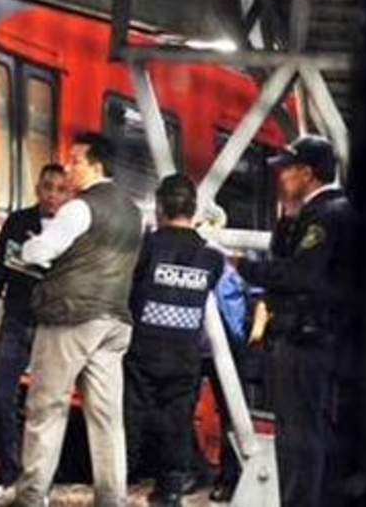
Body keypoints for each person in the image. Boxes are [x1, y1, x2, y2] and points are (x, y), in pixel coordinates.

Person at [8, 133, 143, 507]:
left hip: (71, 316)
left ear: (97, 166)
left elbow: (41, 251)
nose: (68, 169)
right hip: (115, 320)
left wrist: (33, 246)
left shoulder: (80, 208)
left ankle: (32, 494)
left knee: (47, 406)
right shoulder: (133, 212)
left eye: (76, 161)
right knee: (106, 415)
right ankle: (111, 497)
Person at [239, 135, 356, 507]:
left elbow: (300, 274)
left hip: (311, 341)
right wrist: (288, 218)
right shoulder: (317, 212)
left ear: (307, 174)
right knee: (304, 436)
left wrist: (241, 266)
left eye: (287, 171)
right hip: (312, 340)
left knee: (300, 441)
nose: (281, 178)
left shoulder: (329, 214)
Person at [123, 174, 224, 507]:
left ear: (161, 208)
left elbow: (129, 290)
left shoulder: (147, 247)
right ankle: (170, 491)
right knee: (178, 422)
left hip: (143, 350)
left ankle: (122, 481)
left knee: (131, 418)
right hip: (185, 355)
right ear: (193, 210)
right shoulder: (212, 258)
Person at [0, 164, 69, 488]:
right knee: (1, 396)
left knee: (46, 402)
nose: (53, 195)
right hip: (16, 318)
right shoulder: (18, 223)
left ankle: (40, 472)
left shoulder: (71, 230)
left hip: (52, 325)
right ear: (38, 189)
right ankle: (10, 466)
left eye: (60, 189)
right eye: (48, 187)